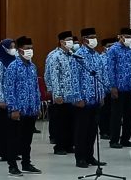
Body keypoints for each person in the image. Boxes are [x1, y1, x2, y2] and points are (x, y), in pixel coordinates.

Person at [4, 36, 42, 176]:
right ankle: (12, 166)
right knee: (14, 139)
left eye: (31, 48)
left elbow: (36, 88)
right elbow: (9, 89)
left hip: (30, 109)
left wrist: (37, 106)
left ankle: (26, 163)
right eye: (27, 48)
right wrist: (13, 108)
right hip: (18, 110)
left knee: (27, 139)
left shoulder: (32, 67)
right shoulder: (13, 67)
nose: (30, 51)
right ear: (20, 50)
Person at [69, 28, 107, 169]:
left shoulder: (96, 55)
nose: (94, 40)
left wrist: (101, 95)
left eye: (95, 37)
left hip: (95, 99)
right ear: (84, 39)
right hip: (83, 100)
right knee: (82, 130)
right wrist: (78, 97)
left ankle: (90, 156)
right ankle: (80, 157)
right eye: (91, 37)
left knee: (92, 130)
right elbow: (74, 79)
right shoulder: (78, 56)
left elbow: (100, 76)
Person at [44, 31, 75, 155]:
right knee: (60, 122)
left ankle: (69, 145)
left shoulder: (72, 55)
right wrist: (56, 94)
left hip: (71, 94)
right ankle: (59, 146)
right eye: (68, 40)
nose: (71, 42)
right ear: (62, 42)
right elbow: (53, 76)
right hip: (60, 94)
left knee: (70, 121)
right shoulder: (55, 56)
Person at [106, 28, 131, 149]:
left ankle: (125, 139)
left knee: (129, 115)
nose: (129, 39)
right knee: (117, 116)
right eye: (127, 36)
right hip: (118, 88)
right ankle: (114, 140)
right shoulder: (113, 50)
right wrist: (112, 86)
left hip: (130, 87)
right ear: (120, 36)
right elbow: (110, 69)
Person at [98, 37, 116, 140]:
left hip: (114, 89)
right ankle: (104, 131)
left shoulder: (114, 58)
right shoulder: (100, 58)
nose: (112, 48)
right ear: (104, 47)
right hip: (104, 90)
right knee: (104, 112)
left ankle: (111, 131)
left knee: (113, 112)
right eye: (110, 46)